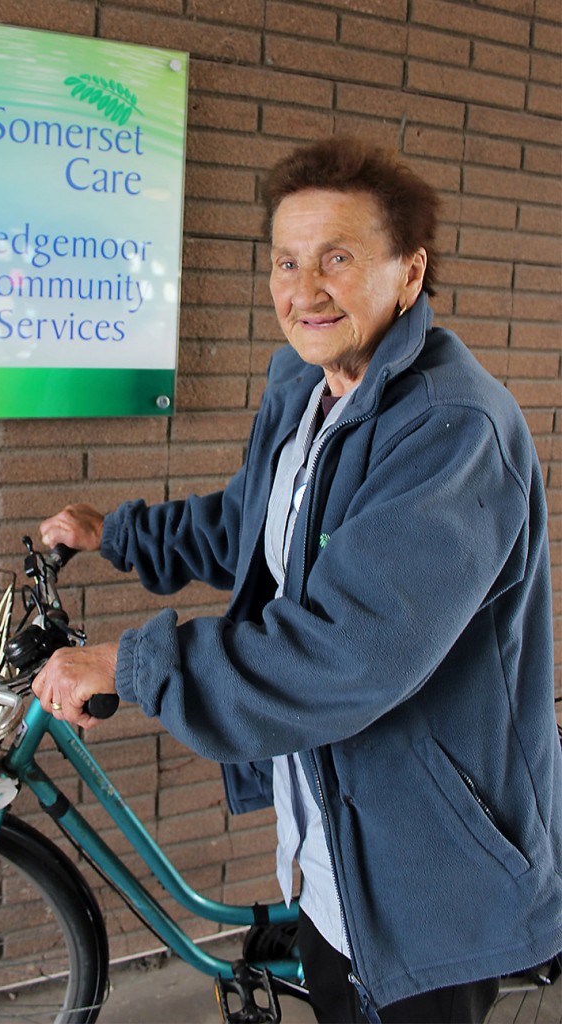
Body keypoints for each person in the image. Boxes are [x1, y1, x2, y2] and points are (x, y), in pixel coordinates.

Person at [33, 136, 562, 1023]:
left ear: (409, 272)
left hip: (427, 873)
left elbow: (341, 649)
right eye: (286, 260)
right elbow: (258, 526)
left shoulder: (450, 432)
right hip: (330, 849)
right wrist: (118, 533)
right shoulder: (309, 385)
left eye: (338, 258)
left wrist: (131, 665)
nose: (304, 288)